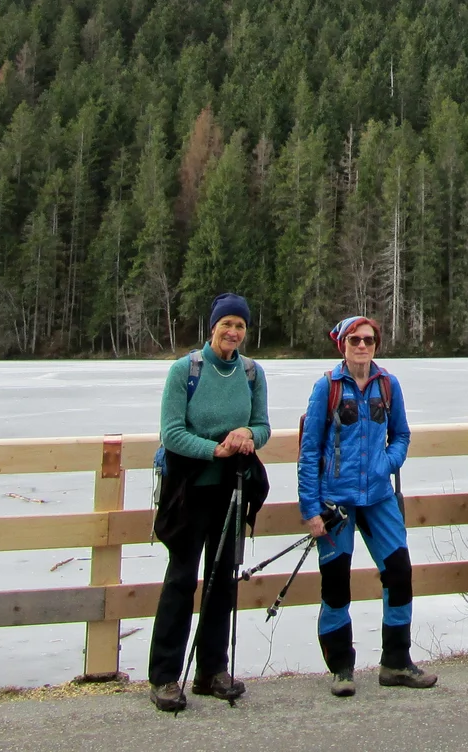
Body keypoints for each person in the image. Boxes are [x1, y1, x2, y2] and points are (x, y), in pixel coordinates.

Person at [298, 314, 437, 695]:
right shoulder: (325, 388)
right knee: (336, 583)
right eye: (355, 340)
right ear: (341, 344)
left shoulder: (388, 385)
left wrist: (386, 464)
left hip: (379, 497)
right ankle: (341, 668)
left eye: (369, 340)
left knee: (399, 572)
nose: (362, 346)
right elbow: (309, 451)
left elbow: (402, 435)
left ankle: (396, 662)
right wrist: (310, 509)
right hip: (335, 501)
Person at [148, 292, 270, 713]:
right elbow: (171, 432)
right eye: (226, 325)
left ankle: (211, 671)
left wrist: (248, 436)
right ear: (212, 327)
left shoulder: (252, 373)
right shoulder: (185, 371)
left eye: (240, 326)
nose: (233, 333)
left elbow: (263, 425)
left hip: (232, 490)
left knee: (222, 581)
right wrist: (215, 448)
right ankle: (165, 676)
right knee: (182, 580)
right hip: (188, 490)